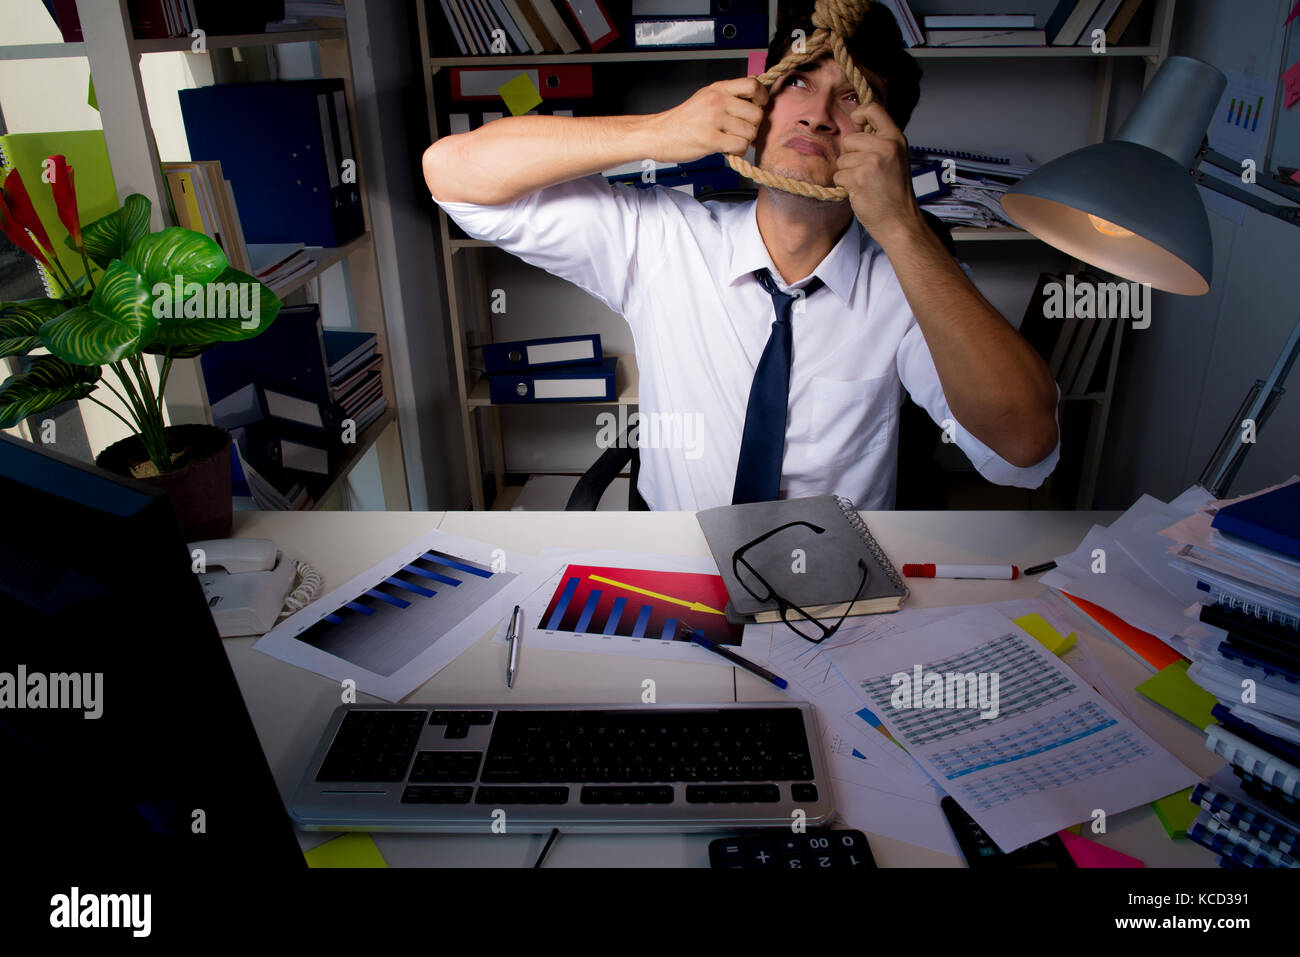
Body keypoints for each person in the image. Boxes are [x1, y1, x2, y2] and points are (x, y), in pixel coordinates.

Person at [423, 3, 1059, 510]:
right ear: (760, 104)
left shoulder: (916, 277)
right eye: (799, 83)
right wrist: (656, 133)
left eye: (853, 98)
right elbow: (451, 172)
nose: (816, 116)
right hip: (679, 566)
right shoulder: (661, 238)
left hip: (840, 592)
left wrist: (904, 228)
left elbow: (1025, 448)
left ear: (887, 142)